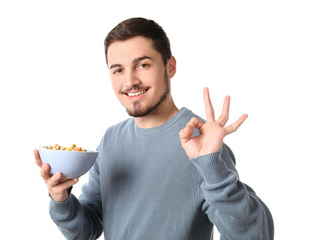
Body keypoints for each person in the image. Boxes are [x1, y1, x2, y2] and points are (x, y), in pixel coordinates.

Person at [34, 17, 274, 240]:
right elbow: (86, 230)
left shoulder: (203, 144)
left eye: (143, 65)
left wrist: (212, 165)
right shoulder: (111, 140)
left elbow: (254, 235)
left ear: (170, 67)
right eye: (118, 69)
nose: (129, 82)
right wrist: (61, 199)